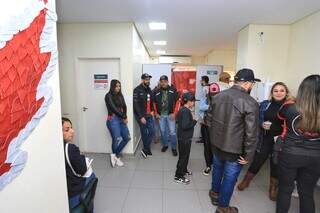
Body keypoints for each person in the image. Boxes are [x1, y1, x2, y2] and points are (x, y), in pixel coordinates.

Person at [208, 68, 260, 213]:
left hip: (217, 144)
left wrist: (215, 138)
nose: (252, 86)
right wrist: (248, 155)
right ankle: (223, 207)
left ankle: (214, 193)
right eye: (252, 84)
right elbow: (251, 133)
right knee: (230, 177)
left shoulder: (218, 96)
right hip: (234, 149)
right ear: (248, 83)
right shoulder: (250, 103)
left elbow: (209, 120)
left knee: (217, 169)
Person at [237, 82, 293, 201]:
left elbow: (293, 127)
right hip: (266, 138)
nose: (278, 93)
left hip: (281, 141)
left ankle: (273, 189)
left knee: (275, 163)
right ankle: (246, 181)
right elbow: (256, 119)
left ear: (286, 92)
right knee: (258, 160)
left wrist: (275, 130)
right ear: (271, 93)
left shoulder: (290, 107)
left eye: (281, 90)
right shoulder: (265, 104)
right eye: (275, 90)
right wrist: (262, 124)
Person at [276, 75, 320, 213]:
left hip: (290, 154)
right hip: (316, 156)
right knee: (306, 193)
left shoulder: (290, 108)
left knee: (285, 190)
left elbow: (280, 115)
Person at [200, 72, 232, 176]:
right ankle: (209, 165)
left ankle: (212, 166)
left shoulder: (231, 91)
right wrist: (214, 107)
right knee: (209, 146)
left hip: (222, 124)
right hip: (209, 123)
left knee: (216, 146)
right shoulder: (209, 88)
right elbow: (201, 106)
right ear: (226, 79)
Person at [62, 117, 97, 210]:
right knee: (92, 174)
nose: (72, 131)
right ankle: (88, 204)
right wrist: (80, 156)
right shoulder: (70, 148)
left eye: (71, 128)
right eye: (67, 129)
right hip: (73, 192)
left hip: (64, 193)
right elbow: (82, 170)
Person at [105, 79, 130, 167]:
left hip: (121, 119)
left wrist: (125, 116)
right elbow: (113, 108)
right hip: (113, 120)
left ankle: (114, 155)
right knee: (116, 139)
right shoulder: (108, 96)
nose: (118, 88)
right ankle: (115, 157)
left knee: (127, 138)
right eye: (116, 86)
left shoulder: (120, 95)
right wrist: (123, 117)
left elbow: (124, 106)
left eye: (119, 86)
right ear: (112, 86)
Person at [174, 92, 197, 184]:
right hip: (184, 138)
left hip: (185, 137)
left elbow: (178, 121)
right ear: (189, 102)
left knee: (186, 155)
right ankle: (178, 176)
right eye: (193, 101)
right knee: (183, 157)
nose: (194, 103)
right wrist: (194, 121)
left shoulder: (183, 109)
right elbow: (185, 126)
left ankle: (184, 170)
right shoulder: (185, 111)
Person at [154, 75, 179, 156]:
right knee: (163, 131)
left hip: (170, 115)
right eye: (162, 82)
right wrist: (156, 113)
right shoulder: (157, 91)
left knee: (172, 132)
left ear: (168, 82)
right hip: (161, 115)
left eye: (165, 81)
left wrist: (174, 113)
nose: (163, 83)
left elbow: (178, 102)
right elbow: (154, 103)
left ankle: (174, 148)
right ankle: (165, 145)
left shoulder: (173, 89)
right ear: (160, 82)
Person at [133, 73, 155, 158]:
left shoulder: (149, 89)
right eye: (146, 79)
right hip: (141, 116)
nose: (148, 81)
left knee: (152, 132)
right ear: (142, 80)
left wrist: (152, 110)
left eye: (149, 79)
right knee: (144, 133)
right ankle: (147, 149)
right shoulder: (137, 90)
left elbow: (151, 101)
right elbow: (136, 105)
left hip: (149, 114)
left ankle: (145, 148)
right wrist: (141, 117)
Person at [197, 76, 210, 144]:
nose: (200, 82)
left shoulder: (206, 88)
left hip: (205, 109)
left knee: (203, 124)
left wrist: (206, 108)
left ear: (203, 80)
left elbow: (207, 99)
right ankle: (203, 138)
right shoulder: (206, 87)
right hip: (204, 108)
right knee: (203, 124)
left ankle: (204, 139)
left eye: (201, 80)